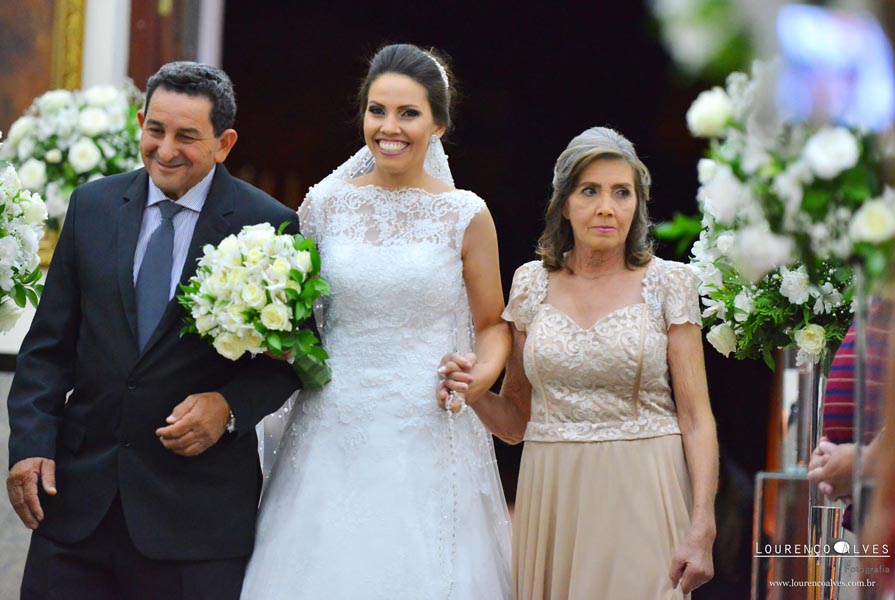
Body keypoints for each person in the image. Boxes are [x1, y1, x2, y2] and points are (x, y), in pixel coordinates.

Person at [6, 62, 301, 599]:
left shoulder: (268, 225)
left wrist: (229, 408)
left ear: (224, 143)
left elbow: (292, 360)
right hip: (76, 510)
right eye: (156, 130)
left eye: (187, 136)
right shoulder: (92, 206)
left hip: (196, 522)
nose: (165, 150)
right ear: (141, 123)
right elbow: (47, 349)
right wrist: (29, 444)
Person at [239, 44, 513, 599]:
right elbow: (294, 308)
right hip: (331, 424)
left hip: (427, 424)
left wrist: (479, 377)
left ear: (438, 124)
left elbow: (492, 324)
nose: (390, 127)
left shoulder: (466, 213)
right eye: (377, 110)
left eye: (408, 113)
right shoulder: (324, 204)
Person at [453, 126, 718, 598]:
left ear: (638, 203)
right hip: (553, 495)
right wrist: (471, 392)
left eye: (622, 192)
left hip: (645, 489)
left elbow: (696, 419)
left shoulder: (670, 283)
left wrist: (703, 525)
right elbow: (515, 422)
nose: (606, 207)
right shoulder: (530, 284)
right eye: (590, 191)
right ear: (564, 204)